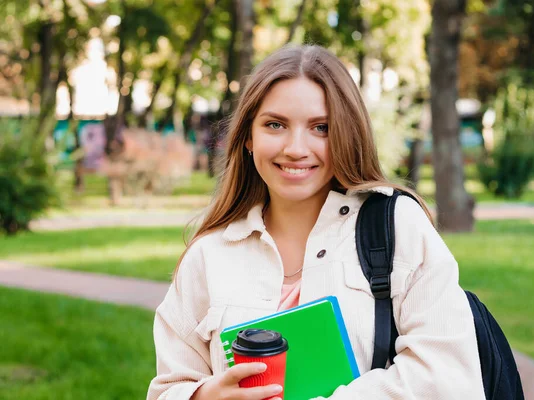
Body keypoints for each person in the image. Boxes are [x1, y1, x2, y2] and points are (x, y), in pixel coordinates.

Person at [147, 45, 485, 400]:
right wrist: (204, 397)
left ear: (346, 134)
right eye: (275, 125)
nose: (295, 147)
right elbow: (168, 389)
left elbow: (446, 376)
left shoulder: (398, 227)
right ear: (248, 136)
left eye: (320, 127)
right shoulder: (209, 255)